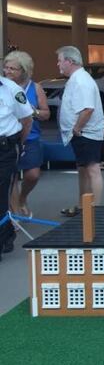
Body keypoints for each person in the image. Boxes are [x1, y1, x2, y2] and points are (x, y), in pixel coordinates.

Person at [57, 46, 104, 216]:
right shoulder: (77, 79)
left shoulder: (81, 81)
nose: (58, 64)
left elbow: (87, 109)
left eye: (60, 60)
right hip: (82, 133)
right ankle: (83, 206)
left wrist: (77, 128)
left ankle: (94, 210)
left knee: (92, 169)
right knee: (83, 169)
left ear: (69, 61)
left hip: (86, 133)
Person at [3, 51, 44, 220]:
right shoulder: (3, 87)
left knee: (33, 175)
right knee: (11, 178)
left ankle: (22, 198)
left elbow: (46, 114)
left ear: (23, 70)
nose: (7, 71)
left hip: (30, 136)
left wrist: (33, 111)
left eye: (12, 68)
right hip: (10, 138)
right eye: (6, 67)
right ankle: (14, 213)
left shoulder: (35, 88)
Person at [0, 66, 33, 257]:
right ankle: (7, 234)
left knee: (1, 192)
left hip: (5, 147)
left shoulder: (11, 88)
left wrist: (19, 145)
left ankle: (3, 239)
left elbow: (27, 119)